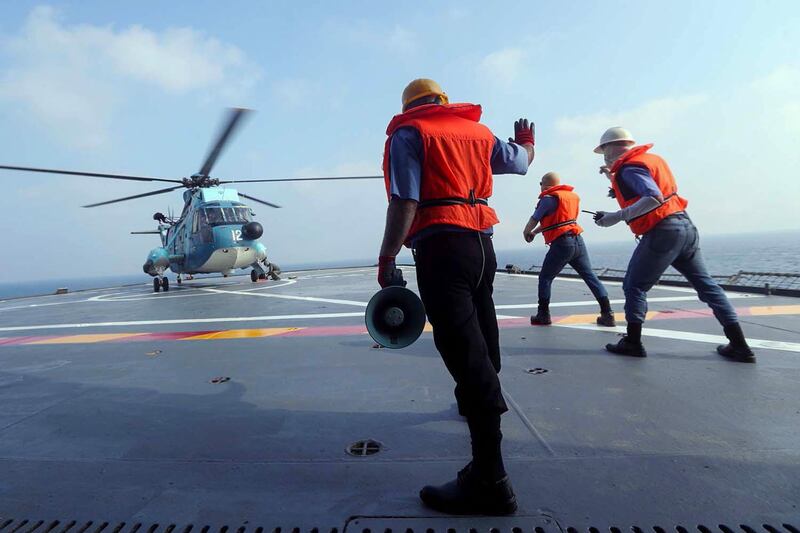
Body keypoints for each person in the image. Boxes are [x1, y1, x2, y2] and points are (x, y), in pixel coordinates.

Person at [377, 78, 534, 515]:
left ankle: (490, 478)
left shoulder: (410, 133)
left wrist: (388, 255)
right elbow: (521, 162)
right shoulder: (479, 133)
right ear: (443, 102)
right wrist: (526, 141)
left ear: (409, 106)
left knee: (463, 348)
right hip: (482, 247)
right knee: (483, 332)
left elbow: (405, 200)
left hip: (442, 247)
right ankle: (473, 404)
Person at [592, 127, 755, 362]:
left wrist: (615, 217)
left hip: (662, 231)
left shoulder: (628, 168)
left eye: (604, 150)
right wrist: (612, 178)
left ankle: (633, 343)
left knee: (634, 286)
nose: (604, 155)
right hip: (685, 227)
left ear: (611, 147)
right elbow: (651, 190)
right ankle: (740, 345)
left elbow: (653, 196)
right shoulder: (649, 160)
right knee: (707, 286)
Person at [523, 172, 615, 326]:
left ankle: (543, 315)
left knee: (545, 278)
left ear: (546, 184)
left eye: (540, 183)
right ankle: (608, 314)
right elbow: (558, 222)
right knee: (590, 276)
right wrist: (536, 233)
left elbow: (535, 218)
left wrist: (526, 231)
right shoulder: (569, 197)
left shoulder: (547, 199)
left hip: (562, 244)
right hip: (578, 241)